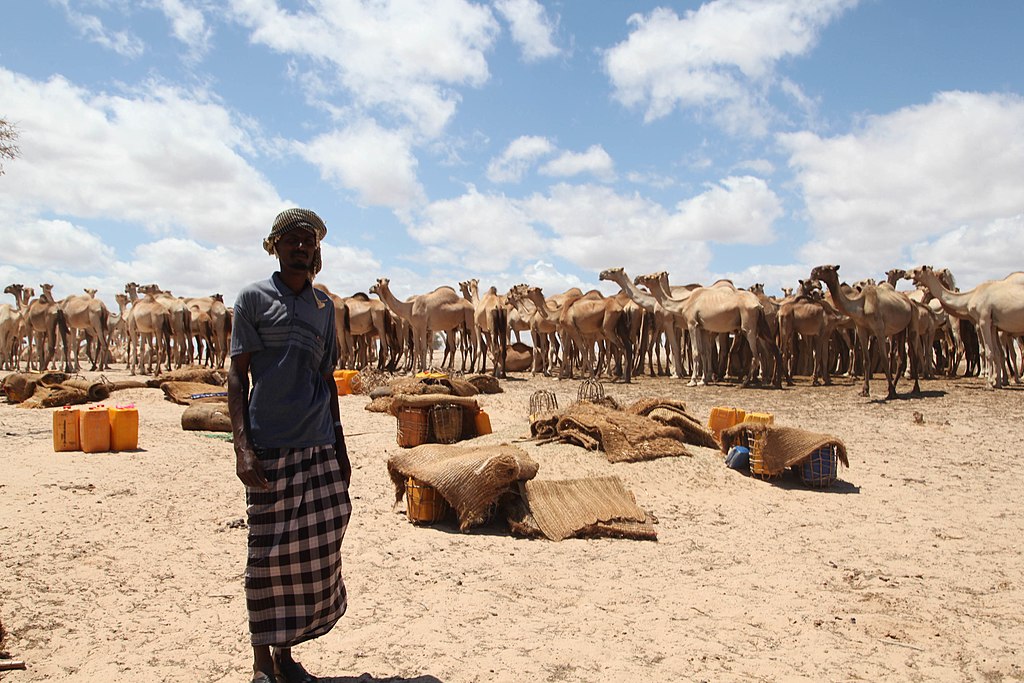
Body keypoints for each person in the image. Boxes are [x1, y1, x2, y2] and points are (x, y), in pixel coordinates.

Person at [227, 208, 352, 683]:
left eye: (309, 241)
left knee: (313, 549)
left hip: (318, 441)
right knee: (266, 557)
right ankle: (261, 662)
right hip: (271, 443)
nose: (301, 247)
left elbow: (327, 379)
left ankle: (286, 654)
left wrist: (340, 448)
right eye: (292, 240)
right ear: (275, 245)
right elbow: (238, 376)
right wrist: (243, 447)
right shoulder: (253, 299)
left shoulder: (324, 306)